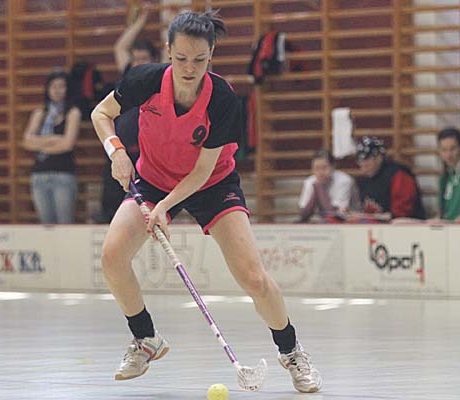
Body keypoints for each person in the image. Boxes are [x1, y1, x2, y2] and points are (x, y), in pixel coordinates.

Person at [91, 11, 322, 393]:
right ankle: (146, 339)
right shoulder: (145, 80)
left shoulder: (223, 99)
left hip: (212, 183)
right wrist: (116, 150)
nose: (189, 68)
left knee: (252, 276)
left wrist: (164, 207)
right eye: (181, 58)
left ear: (211, 55)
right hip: (153, 178)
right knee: (112, 257)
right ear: (169, 50)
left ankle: (291, 350)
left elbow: (201, 172)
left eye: (199, 60)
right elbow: (101, 113)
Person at [95, 2, 160, 224]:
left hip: (147, 156)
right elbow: (121, 47)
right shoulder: (129, 78)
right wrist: (142, 19)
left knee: (145, 207)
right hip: (121, 153)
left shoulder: (159, 81)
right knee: (111, 207)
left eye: (144, 59)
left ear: (153, 61)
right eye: (136, 59)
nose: (139, 64)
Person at [22, 69, 81, 224]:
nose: (57, 90)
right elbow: (27, 141)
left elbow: (67, 144)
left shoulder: (72, 113)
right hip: (39, 174)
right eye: (53, 86)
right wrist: (53, 139)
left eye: (61, 86)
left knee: (64, 223)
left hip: (63, 174)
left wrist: (40, 143)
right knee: (46, 224)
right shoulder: (40, 113)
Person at [354, 137, 425, 222]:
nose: (363, 166)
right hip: (378, 224)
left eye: (367, 161)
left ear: (379, 158)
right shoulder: (363, 180)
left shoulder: (399, 176)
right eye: (360, 161)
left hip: (406, 225)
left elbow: (401, 215)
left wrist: (371, 217)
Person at [298, 148, 360, 222]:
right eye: (316, 168)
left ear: (333, 167)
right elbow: (303, 216)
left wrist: (319, 189)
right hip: (325, 223)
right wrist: (315, 193)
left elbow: (335, 216)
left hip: (353, 222)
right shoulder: (310, 181)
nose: (320, 172)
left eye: (324, 167)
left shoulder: (344, 181)